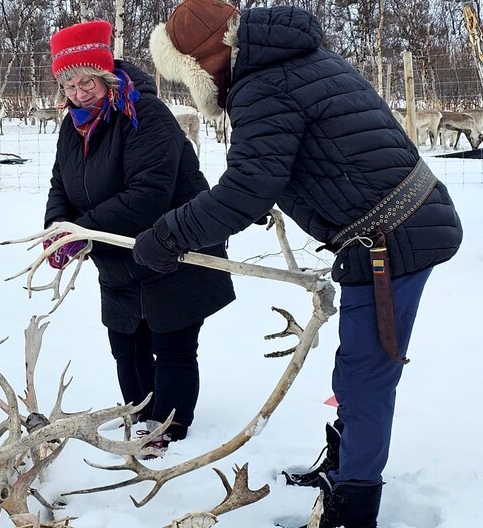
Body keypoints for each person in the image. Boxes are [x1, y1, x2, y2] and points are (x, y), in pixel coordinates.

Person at [132, 1, 462, 526]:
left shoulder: (262, 86)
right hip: (397, 224)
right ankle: (345, 463)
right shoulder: (295, 59)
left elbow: (245, 189)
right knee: (356, 368)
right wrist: (277, 194)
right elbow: (319, 151)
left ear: (204, 65)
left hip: (392, 238)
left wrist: (166, 236)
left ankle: (353, 505)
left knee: (367, 373)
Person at [43, 20, 236, 449]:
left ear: (106, 76)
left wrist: (83, 229)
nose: (79, 93)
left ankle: (167, 428)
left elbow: (149, 194)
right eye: (69, 84)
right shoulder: (72, 127)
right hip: (118, 256)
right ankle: (136, 416)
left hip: (173, 248)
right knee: (126, 342)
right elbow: (61, 185)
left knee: (171, 343)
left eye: (87, 81)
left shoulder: (143, 114)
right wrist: (57, 230)